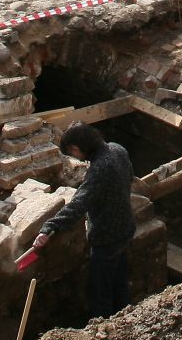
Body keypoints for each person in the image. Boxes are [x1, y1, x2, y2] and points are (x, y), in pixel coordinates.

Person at [32, 122, 135, 320]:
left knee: (100, 292)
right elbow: (129, 176)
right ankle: (126, 320)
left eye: (72, 154)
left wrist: (49, 227)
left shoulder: (101, 168)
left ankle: (102, 332)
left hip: (107, 238)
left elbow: (79, 204)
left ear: (75, 148)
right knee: (120, 283)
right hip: (126, 229)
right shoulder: (117, 149)